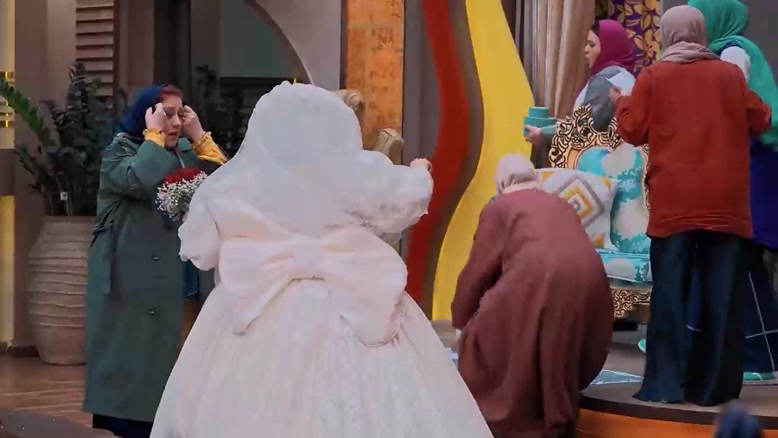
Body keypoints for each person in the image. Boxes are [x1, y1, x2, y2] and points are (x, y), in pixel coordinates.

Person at [149, 82, 492, 438]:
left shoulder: (234, 185)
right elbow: (409, 195)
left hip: (260, 305)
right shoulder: (356, 174)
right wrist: (421, 170)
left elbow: (200, 247)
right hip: (352, 302)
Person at [612, 5, 772, 406]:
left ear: (667, 35)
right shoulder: (729, 74)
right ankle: (714, 389)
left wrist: (623, 102)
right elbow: (761, 119)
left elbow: (631, 130)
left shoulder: (654, 77)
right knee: (723, 295)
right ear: (701, 33)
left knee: (670, 294)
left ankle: (665, 386)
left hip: (675, 204)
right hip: (726, 203)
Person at [84, 84, 228, 438]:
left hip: (179, 275)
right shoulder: (120, 151)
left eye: (180, 113)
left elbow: (225, 185)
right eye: (166, 114)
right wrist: (153, 137)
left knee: (178, 357)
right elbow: (140, 180)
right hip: (131, 279)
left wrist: (199, 136)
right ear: (147, 115)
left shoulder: (184, 151)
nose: (174, 122)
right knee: (132, 361)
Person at [452, 154, 613, 437]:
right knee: (556, 341)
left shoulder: (499, 207)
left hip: (537, 274)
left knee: (493, 338)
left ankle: (515, 423)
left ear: (501, 183)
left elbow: (479, 268)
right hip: (590, 276)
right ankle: (555, 416)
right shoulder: (561, 204)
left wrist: (461, 319)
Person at [526, 19, 637, 167]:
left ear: (609, 48)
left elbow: (585, 127)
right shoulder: (625, 76)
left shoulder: (605, 80)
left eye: (592, 45)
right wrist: (555, 124)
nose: (586, 50)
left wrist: (543, 134)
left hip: (601, 166)